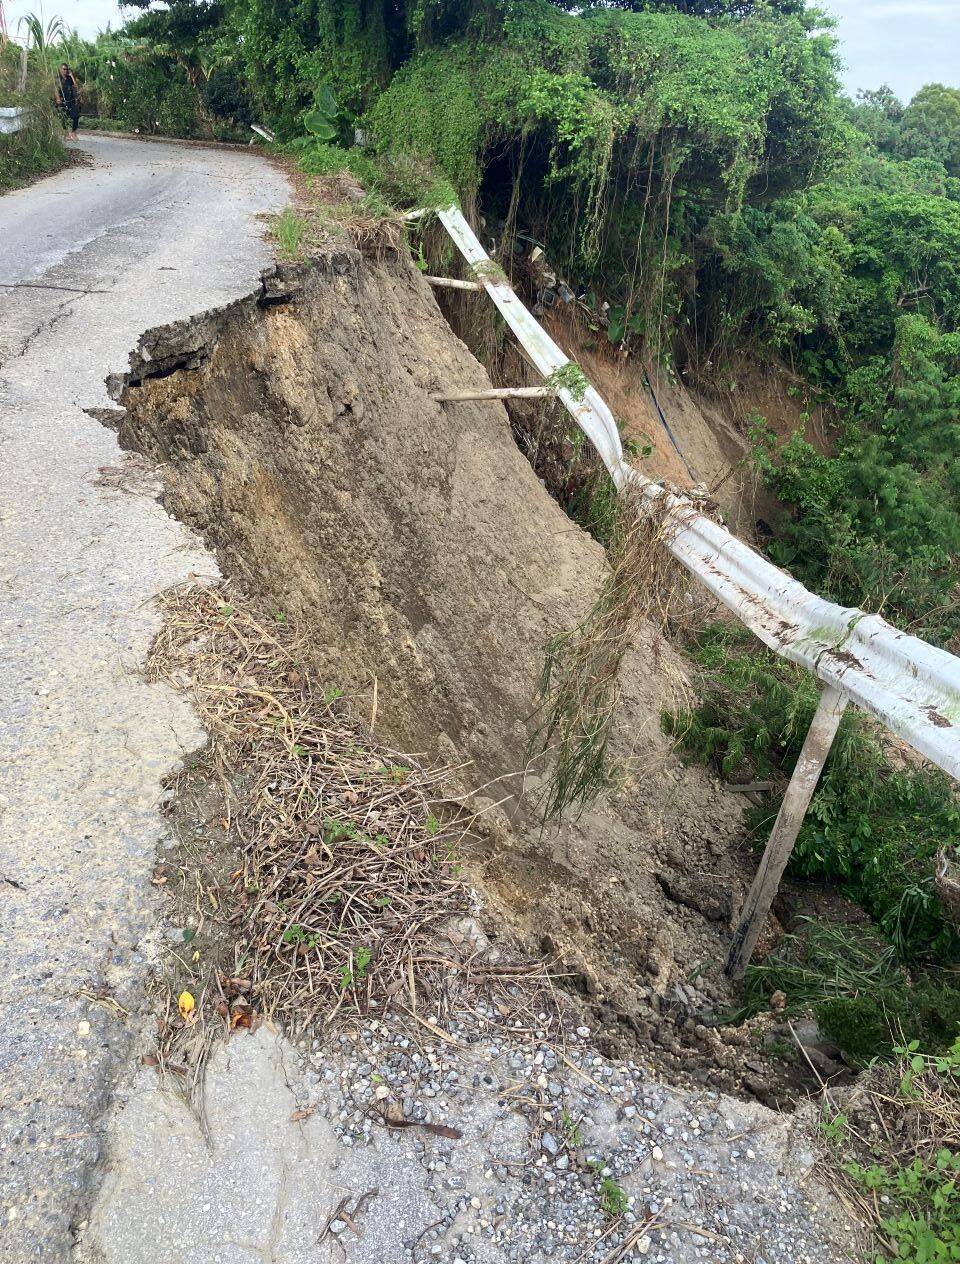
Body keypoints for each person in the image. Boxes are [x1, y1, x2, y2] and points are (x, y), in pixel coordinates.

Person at [55, 64, 81, 140]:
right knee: (63, 117)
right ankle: (66, 133)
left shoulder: (69, 78)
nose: (65, 71)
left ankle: (73, 132)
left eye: (66, 69)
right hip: (62, 100)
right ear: (60, 69)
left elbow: (75, 86)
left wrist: (72, 75)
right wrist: (57, 98)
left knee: (75, 115)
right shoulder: (57, 79)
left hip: (71, 100)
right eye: (64, 69)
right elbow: (55, 89)